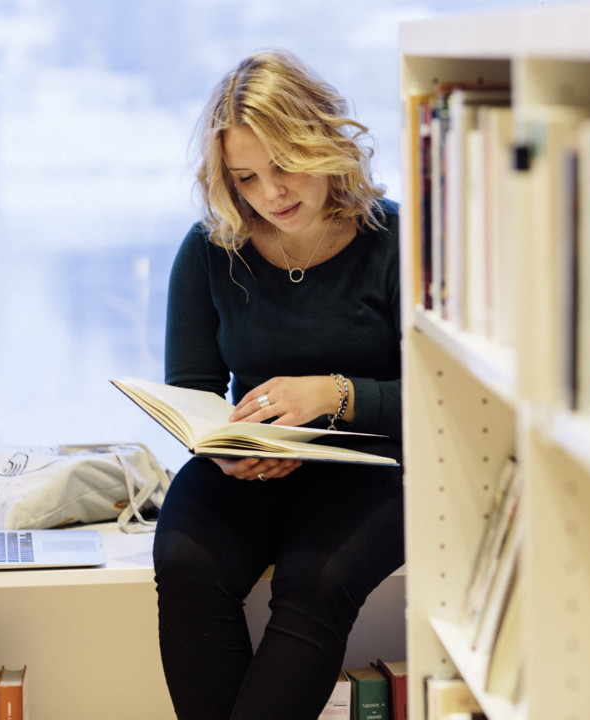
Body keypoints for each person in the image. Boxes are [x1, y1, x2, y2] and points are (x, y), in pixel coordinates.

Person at [152, 49, 403, 720]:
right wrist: (224, 450)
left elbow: (443, 402)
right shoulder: (211, 250)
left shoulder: (395, 243)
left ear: (321, 140)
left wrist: (334, 394)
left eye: (285, 165)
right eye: (247, 177)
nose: (271, 193)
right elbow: (194, 391)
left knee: (316, 584)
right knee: (185, 564)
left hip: (371, 470)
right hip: (251, 469)